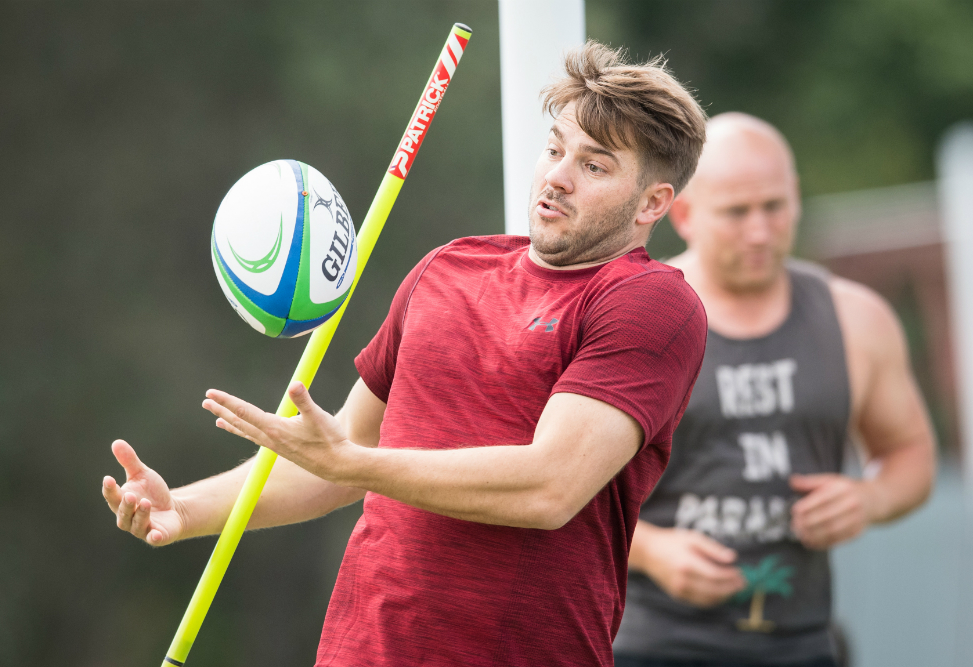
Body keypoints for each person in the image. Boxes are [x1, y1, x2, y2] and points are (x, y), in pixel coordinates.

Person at [102, 43, 710, 666]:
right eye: (555, 149)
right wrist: (183, 507)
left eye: (595, 166)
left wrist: (352, 465)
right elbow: (336, 453)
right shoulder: (447, 268)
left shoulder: (650, 304)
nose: (558, 175)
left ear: (653, 203)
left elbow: (549, 487)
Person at [612, 113, 937, 667]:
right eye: (737, 212)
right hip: (648, 642)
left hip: (801, 642)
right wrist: (653, 552)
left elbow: (910, 453)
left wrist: (869, 498)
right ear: (685, 213)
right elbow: (561, 489)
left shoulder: (855, 318)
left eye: (774, 206)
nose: (760, 230)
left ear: (797, 197)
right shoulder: (632, 318)